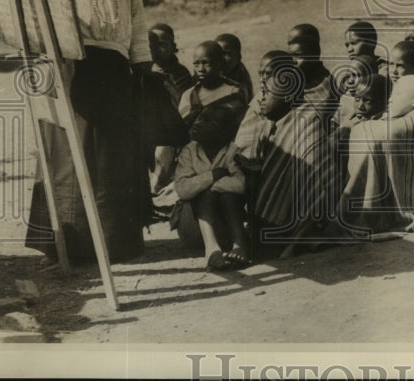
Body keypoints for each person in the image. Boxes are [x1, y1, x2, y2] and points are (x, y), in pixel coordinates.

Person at [25, 0, 150, 265]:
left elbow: (138, 20)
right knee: (69, 150)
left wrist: (141, 62)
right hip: (72, 65)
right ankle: (68, 245)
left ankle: (116, 244)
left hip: (112, 69)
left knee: (112, 153)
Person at [342, 75, 414, 234]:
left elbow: (384, 133)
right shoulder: (399, 117)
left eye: (397, 94)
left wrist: (362, 128)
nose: (390, 99)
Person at [254, 51, 340, 256]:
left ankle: (298, 238)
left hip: (308, 215)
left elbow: (319, 183)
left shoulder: (307, 123)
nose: (262, 99)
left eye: (268, 94)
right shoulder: (270, 121)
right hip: (279, 212)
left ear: (288, 96)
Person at [172, 99, 251, 270]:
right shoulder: (189, 151)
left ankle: (239, 245)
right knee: (206, 194)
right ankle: (211, 249)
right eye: (200, 118)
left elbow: (241, 184)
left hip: (226, 229)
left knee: (228, 196)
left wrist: (208, 185)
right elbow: (182, 189)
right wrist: (212, 175)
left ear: (224, 134)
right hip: (192, 228)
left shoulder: (232, 151)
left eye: (209, 122)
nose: (198, 123)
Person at [144, 24, 193, 193]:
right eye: (153, 45)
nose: (158, 49)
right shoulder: (146, 71)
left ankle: (156, 183)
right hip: (151, 126)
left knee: (167, 144)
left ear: (174, 46)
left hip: (174, 126)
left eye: (163, 44)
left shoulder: (182, 74)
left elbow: (186, 102)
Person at [178, 42, 246, 130]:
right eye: (196, 64)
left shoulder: (233, 92)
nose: (201, 69)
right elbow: (181, 127)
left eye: (207, 63)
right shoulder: (189, 95)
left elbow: (241, 127)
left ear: (220, 64)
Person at [215, 32, 255, 105]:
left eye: (227, 54)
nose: (221, 58)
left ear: (238, 57)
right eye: (217, 53)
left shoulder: (241, 79)